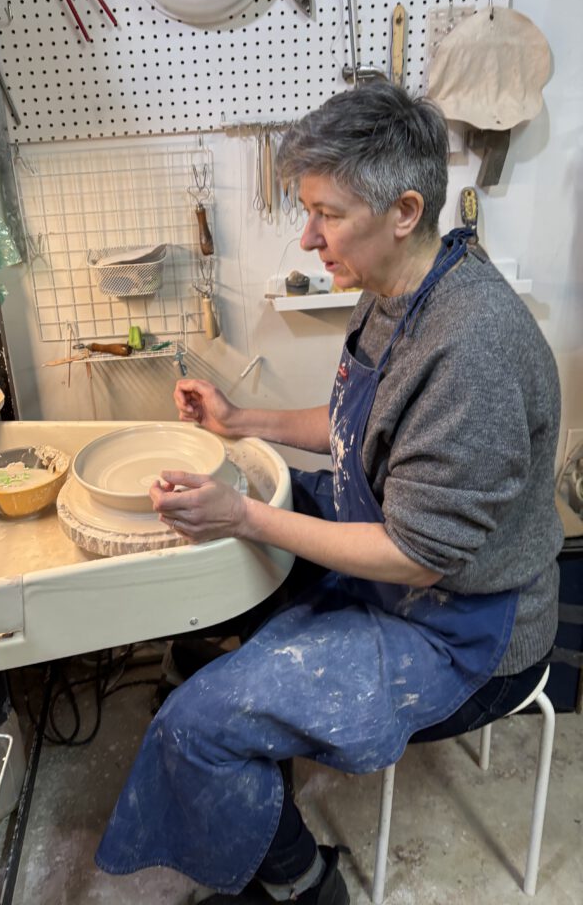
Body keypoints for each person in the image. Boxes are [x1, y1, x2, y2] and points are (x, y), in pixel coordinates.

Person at [95, 83, 563, 905]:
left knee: (199, 728)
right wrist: (245, 421)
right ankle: (231, 671)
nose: (308, 237)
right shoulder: (400, 289)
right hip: (394, 537)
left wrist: (246, 513)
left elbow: (417, 558)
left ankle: (306, 885)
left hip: (462, 624)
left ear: (405, 210)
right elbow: (360, 425)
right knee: (236, 532)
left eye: (327, 214)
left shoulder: (472, 350)